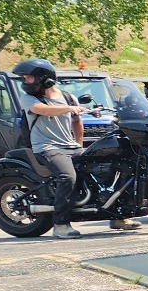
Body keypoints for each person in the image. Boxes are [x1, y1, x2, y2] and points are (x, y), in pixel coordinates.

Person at [10, 59, 132, 238]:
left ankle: (117, 216)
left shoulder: (67, 97)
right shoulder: (30, 99)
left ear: (45, 79)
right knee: (67, 176)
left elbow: (77, 122)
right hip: (47, 147)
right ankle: (61, 224)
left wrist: (79, 145)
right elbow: (43, 110)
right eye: (24, 78)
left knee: (107, 169)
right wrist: (70, 108)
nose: (24, 82)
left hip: (71, 146)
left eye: (28, 78)